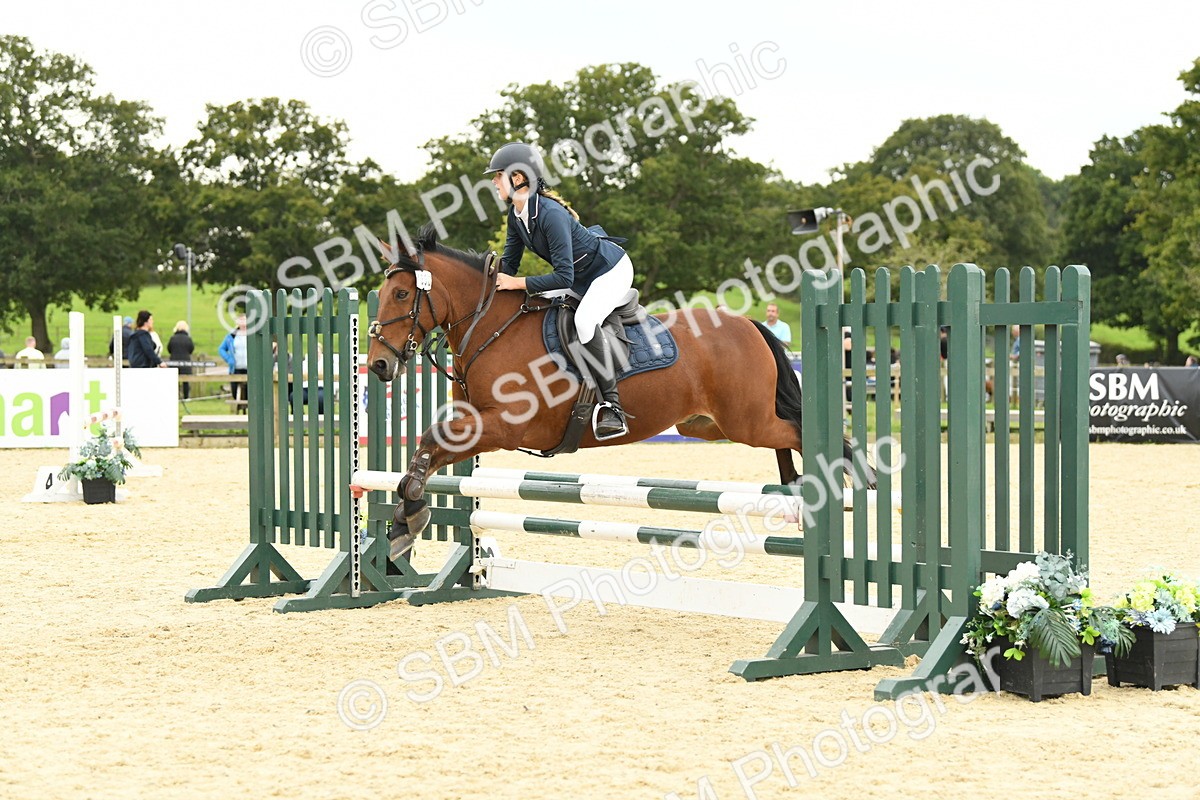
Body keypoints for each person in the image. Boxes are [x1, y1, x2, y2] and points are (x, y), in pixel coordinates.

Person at [485, 142, 633, 439]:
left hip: (609, 271)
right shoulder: (517, 215)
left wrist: (516, 283)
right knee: (535, 307)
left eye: (498, 175)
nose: (493, 181)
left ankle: (613, 407)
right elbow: (509, 267)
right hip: (580, 277)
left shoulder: (550, 214)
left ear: (518, 178)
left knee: (583, 321)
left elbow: (563, 275)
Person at [219, 314, 250, 405]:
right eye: (240, 320)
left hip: (250, 368)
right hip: (236, 368)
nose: (243, 323)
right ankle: (238, 408)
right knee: (235, 391)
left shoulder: (252, 334)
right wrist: (229, 359)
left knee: (251, 391)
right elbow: (221, 349)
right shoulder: (231, 336)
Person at [168, 321, 196, 399]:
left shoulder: (172, 338)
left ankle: (174, 397)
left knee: (174, 381)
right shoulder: (188, 339)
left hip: (174, 362)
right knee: (185, 381)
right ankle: (186, 397)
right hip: (185, 362)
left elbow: (169, 349)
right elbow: (191, 349)